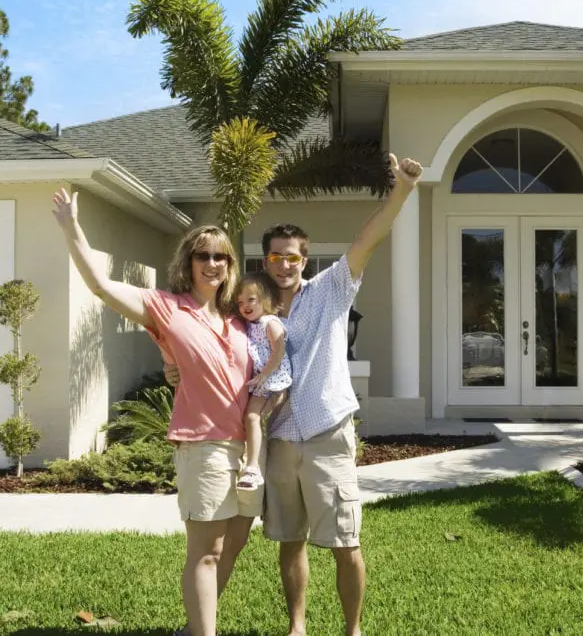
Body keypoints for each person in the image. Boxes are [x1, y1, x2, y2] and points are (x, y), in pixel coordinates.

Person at [166, 153, 423, 636]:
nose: (285, 264)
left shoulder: (331, 288)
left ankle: (352, 631)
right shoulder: (246, 308)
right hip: (279, 441)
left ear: (305, 260)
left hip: (327, 433)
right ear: (266, 261)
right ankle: (297, 627)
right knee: (291, 540)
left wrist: (402, 191)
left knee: (347, 542)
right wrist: (174, 368)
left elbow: (369, 237)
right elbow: (206, 346)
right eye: (276, 256)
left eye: (294, 256)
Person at [52, 188, 258, 636]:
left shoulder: (242, 317)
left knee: (233, 544)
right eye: (202, 254)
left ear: (230, 264)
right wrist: (72, 228)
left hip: (251, 451)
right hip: (203, 445)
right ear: (188, 262)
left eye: (221, 256)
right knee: (206, 550)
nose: (212, 263)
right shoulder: (167, 308)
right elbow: (101, 286)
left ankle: (193, 626)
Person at [234, 272, 291, 490]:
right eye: (240, 302)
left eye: (251, 299)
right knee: (252, 418)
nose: (245, 305)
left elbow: (279, 351)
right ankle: (253, 466)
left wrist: (265, 374)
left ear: (264, 299)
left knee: (255, 417)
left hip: (274, 379)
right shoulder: (250, 324)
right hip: (263, 381)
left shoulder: (270, 322)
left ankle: (253, 466)